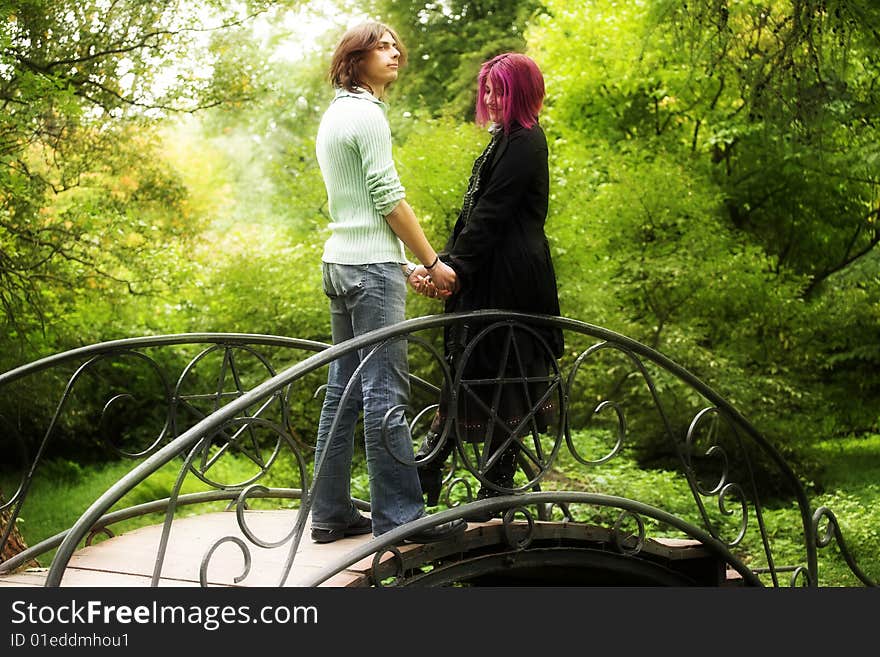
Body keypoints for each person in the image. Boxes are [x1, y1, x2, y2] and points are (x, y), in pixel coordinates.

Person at [310, 21, 466, 543]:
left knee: (342, 393)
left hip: (342, 263)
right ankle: (402, 516)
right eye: (381, 46)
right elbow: (386, 198)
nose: (395, 51)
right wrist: (431, 259)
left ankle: (330, 513)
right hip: (368, 271)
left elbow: (353, 208)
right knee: (384, 393)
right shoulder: (369, 116)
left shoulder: (335, 115)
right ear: (356, 58)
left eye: (395, 43)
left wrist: (400, 264)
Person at [411, 53, 564, 517]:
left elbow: (494, 214)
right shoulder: (504, 142)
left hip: (512, 285)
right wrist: (442, 264)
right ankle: (436, 466)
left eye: (500, 91)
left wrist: (452, 268)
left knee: (505, 375)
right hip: (486, 277)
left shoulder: (526, 142)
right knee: (470, 368)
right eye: (488, 92)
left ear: (521, 92)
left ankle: (492, 488)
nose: (492, 100)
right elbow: (474, 216)